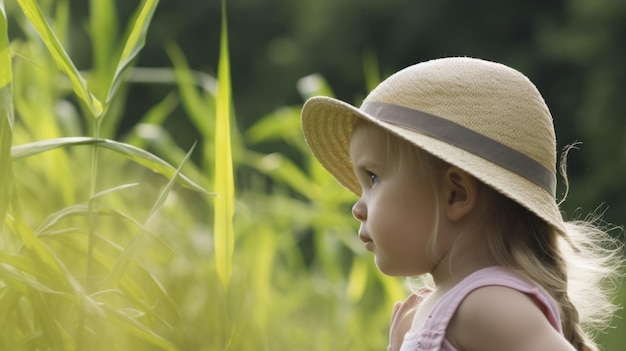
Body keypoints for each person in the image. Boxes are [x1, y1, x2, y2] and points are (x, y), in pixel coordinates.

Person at [300, 57, 623, 351]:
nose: (358, 207)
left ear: (456, 195)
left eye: (373, 179)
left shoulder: (486, 305)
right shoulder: (453, 307)